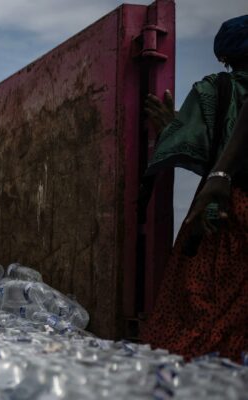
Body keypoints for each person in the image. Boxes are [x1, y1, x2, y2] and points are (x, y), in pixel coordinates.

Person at [141, 15, 247, 360]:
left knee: (200, 303)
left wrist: (171, 127)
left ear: (225, 57)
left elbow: (188, 148)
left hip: (224, 206)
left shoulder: (214, 89)